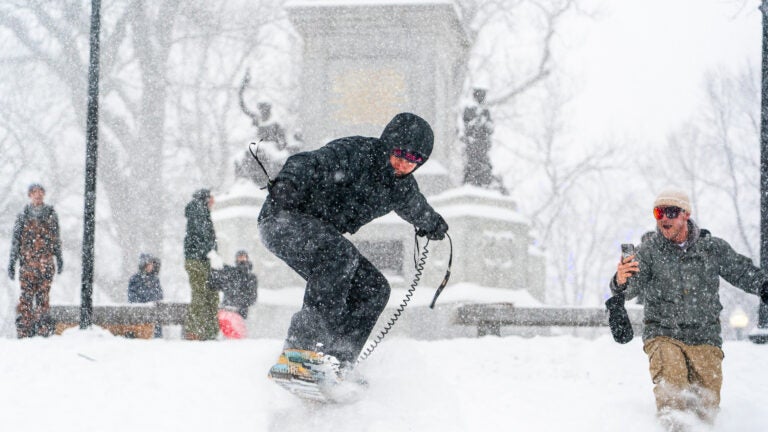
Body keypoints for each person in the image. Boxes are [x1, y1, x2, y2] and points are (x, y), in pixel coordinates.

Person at [259, 112, 449, 381]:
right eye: (400, 154)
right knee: (340, 255)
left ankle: (337, 363)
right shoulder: (357, 152)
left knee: (374, 288)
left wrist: (433, 223)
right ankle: (300, 352)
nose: (404, 163)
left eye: (415, 160)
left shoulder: (401, 187)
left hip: (318, 233)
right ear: (387, 145)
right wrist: (288, 183)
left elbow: (415, 206)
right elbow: (307, 162)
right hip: (283, 218)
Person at [609, 188, 768, 427]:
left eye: (671, 212)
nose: (664, 218)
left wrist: (764, 286)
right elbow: (630, 288)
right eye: (659, 212)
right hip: (663, 334)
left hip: (705, 337)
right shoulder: (649, 252)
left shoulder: (711, 248)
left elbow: (743, 272)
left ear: (686, 214)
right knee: (673, 393)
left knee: (706, 409)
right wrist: (620, 280)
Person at [7, 183, 63, 338]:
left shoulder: (51, 215)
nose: (37, 195)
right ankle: (24, 330)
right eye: (34, 192)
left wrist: (59, 257)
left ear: (44, 194)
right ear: (29, 195)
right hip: (27, 265)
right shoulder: (22, 216)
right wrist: (12, 262)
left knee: (43, 297)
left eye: (40, 192)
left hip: (45, 264)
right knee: (26, 296)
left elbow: (56, 239)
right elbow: (16, 242)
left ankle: (42, 329)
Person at [182, 188, 220, 341]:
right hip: (198, 260)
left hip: (202, 259)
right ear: (206, 198)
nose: (213, 201)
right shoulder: (198, 209)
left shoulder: (200, 211)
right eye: (211, 198)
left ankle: (206, 331)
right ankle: (196, 332)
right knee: (201, 294)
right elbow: (202, 234)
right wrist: (210, 251)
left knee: (209, 294)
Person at [209, 250, 258, 339]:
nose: (241, 259)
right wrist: (214, 268)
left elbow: (252, 298)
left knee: (237, 337)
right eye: (239, 257)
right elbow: (214, 284)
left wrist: (240, 305)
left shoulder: (251, 277)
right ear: (236, 259)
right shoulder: (230, 273)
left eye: (243, 257)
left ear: (247, 258)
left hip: (240, 313)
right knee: (226, 335)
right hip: (226, 310)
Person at [127, 253, 163, 338]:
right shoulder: (135, 279)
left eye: (152, 264)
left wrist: (154, 303)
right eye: (149, 264)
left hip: (153, 314)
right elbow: (132, 297)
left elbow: (159, 295)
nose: (151, 266)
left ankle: (157, 339)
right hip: (139, 314)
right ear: (144, 265)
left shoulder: (155, 279)